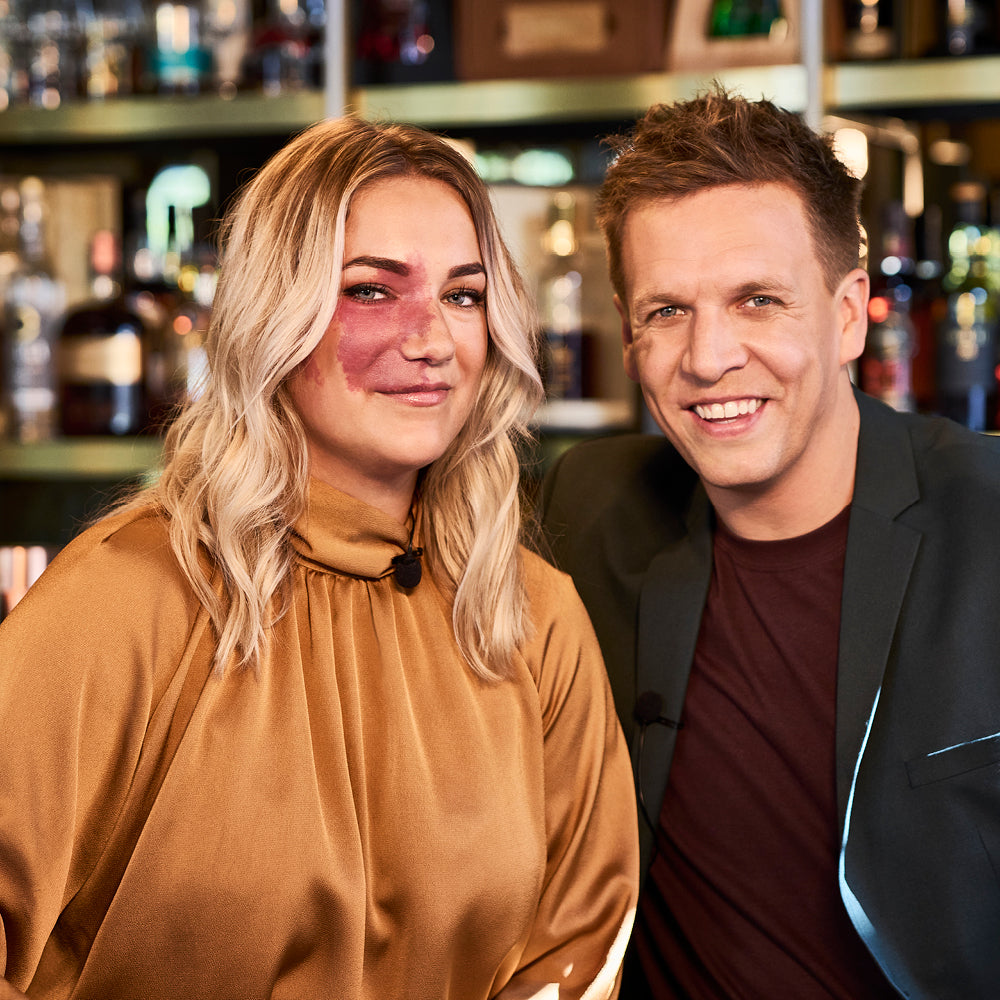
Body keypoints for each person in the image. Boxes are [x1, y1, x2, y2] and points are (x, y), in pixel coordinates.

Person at [0, 116, 638, 1000]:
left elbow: (575, 957)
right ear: (275, 314)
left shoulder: (530, 617)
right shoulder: (125, 597)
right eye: (371, 290)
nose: (432, 340)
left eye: (463, 296)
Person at [539, 85, 1000, 1000]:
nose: (708, 358)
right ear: (628, 338)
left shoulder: (987, 516)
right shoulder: (582, 508)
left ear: (848, 314)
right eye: (667, 311)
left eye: (757, 300)